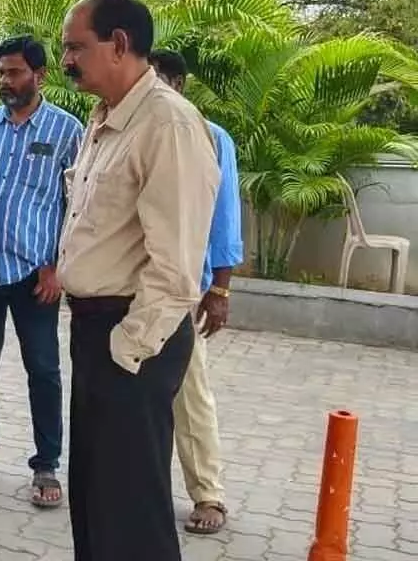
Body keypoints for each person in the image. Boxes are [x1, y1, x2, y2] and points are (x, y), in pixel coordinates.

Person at [57, 0, 219, 561]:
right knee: (97, 499)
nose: (67, 61)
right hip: (97, 330)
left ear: (119, 44)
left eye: (76, 47)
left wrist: (126, 348)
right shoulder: (104, 117)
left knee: (130, 509)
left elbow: (176, 266)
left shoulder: (167, 124)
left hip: (133, 338)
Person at [0, 35, 83, 509]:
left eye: (15, 73)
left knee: (42, 368)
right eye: (1, 73)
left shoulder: (67, 131)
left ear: (40, 76)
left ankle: (46, 464)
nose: (5, 81)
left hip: (34, 275)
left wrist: (57, 268)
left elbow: (79, 206)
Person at [150, 48, 244, 534]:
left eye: (161, 81)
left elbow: (225, 218)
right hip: (127, 291)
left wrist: (220, 291)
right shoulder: (122, 128)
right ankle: (133, 492)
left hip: (185, 289)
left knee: (190, 395)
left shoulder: (210, 137)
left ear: (179, 85)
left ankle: (208, 494)